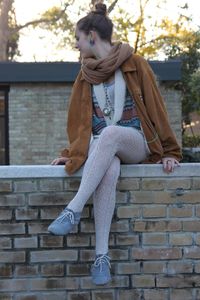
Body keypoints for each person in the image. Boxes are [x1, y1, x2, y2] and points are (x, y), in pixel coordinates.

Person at [48, 2, 182, 285]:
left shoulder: (135, 63)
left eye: (78, 38)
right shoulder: (84, 76)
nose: (76, 44)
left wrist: (171, 151)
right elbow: (78, 124)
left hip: (135, 140)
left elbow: (157, 108)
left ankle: (73, 209)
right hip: (101, 147)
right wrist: (71, 153)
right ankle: (101, 258)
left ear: (92, 36)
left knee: (110, 134)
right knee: (108, 169)